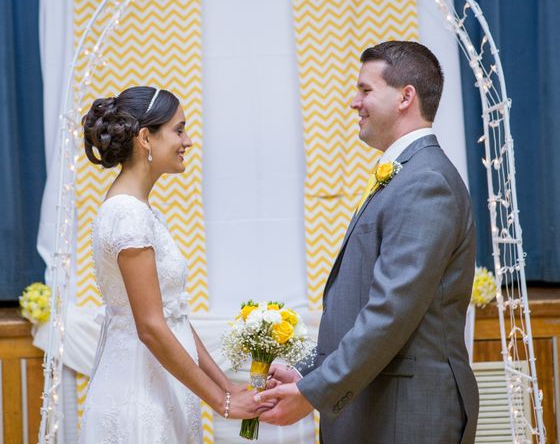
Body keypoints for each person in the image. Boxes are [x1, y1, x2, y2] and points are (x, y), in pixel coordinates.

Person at [258, 41, 479, 443]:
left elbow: (391, 310)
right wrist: (310, 373)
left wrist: (313, 392)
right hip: (377, 406)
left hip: (407, 412)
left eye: (365, 90)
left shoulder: (426, 182)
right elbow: (359, 304)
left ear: (405, 97)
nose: (353, 102)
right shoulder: (408, 174)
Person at [78, 86, 267, 443]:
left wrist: (227, 386)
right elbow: (150, 327)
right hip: (138, 393)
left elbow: (172, 314)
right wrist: (221, 402)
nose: (188, 141)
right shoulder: (127, 215)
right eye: (179, 129)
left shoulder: (142, 211)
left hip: (162, 386)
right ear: (146, 138)